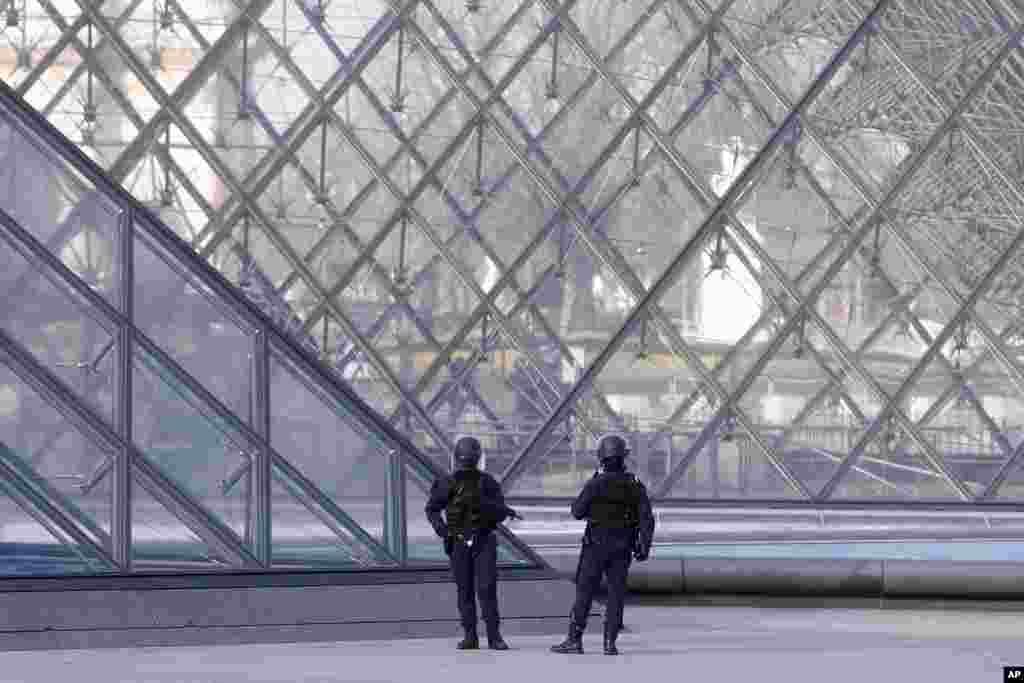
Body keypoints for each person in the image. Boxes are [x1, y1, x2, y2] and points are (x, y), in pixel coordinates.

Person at [551, 434, 654, 656]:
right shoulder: (634, 484)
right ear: (623, 457)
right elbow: (646, 518)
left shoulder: (596, 483)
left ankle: (574, 640)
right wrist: (645, 545)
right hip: (623, 547)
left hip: (595, 546)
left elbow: (577, 512)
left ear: (601, 457)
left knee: (585, 593)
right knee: (616, 595)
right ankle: (610, 643)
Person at [425, 435, 523, 651]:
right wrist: (443, 530)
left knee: (472, 590)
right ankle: (483, 636)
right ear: (478, 457)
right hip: (470, 540)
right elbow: (432, 509)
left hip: (479, 539)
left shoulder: (480, 482)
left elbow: (432, 509)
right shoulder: (459, 482)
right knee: (478, 589)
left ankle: (482, 636)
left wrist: (443, 530)